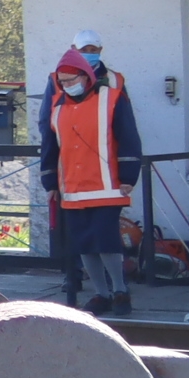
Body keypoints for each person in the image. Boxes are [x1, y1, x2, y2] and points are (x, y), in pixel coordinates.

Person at [37, 40, 142, 314]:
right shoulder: (57, 107)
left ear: (85, 77)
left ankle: (120, 291)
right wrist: (49, 183)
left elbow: (129, 138)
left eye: (70, 80)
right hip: (71, 187)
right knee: (85, 243)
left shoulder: (112, 98)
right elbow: (50, 146)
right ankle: (101, 294)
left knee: (106, 240)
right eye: (62, 81)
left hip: (107, 185)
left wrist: (130, 176)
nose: (65, 85)